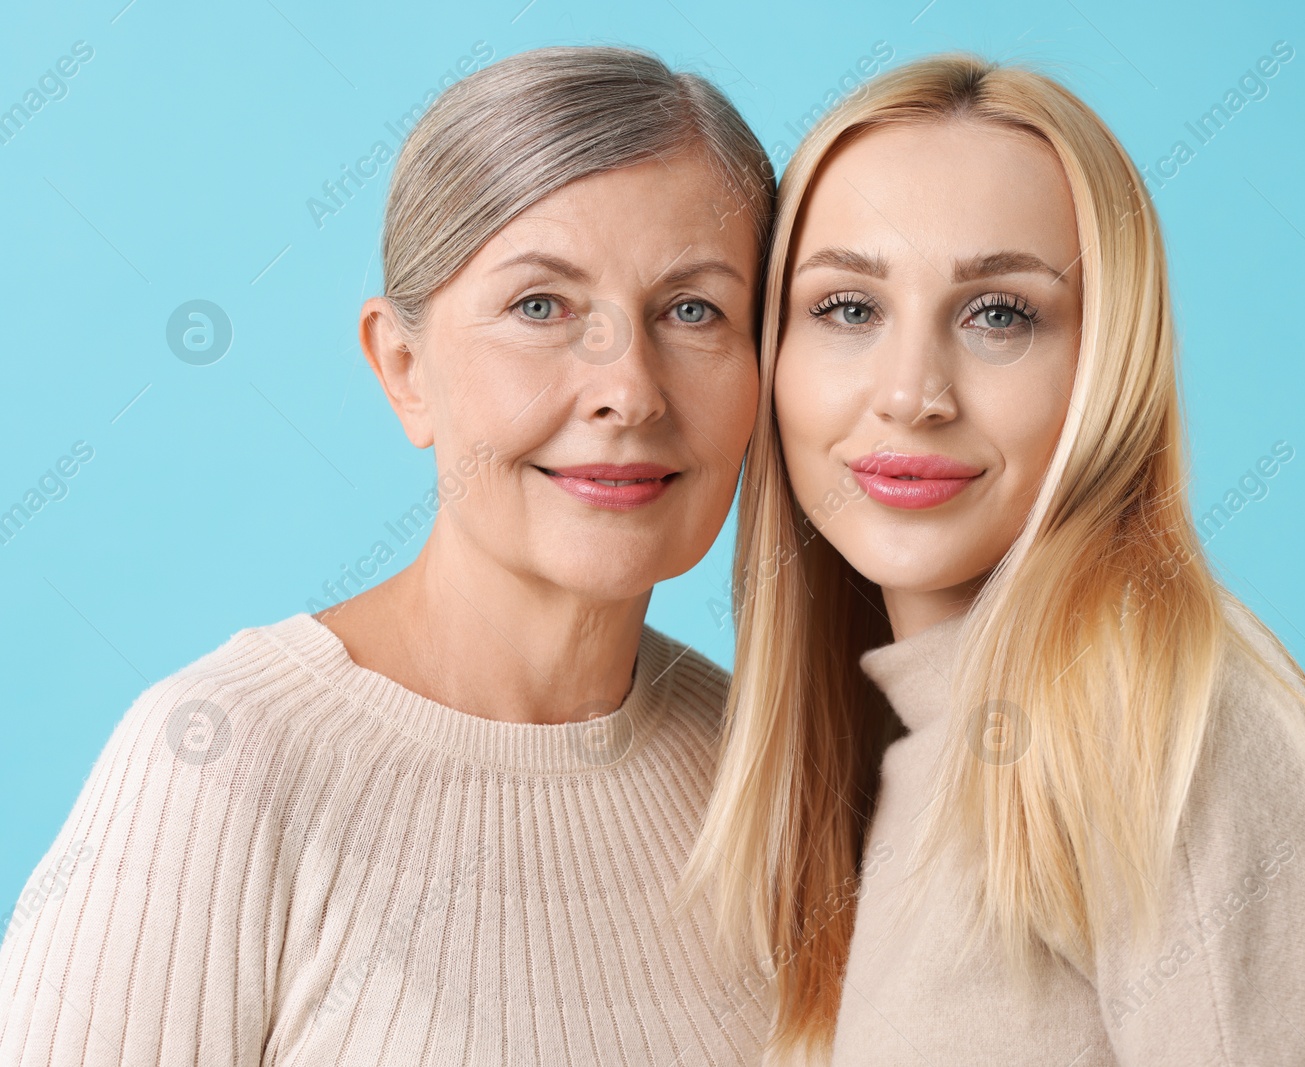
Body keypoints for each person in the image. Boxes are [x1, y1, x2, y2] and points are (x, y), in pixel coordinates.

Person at [0, 46, 774, 1065]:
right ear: (402, 367)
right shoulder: (219, 762)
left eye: (692, 310)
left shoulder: (769, 759)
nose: (627, 389)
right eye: (540, 306)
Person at [688, 53, 1305, 1065]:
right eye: (848, 309)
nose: (911, 393)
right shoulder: (894, 747)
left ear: (1105, 366)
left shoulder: (1162, 724)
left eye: (1001, 312)